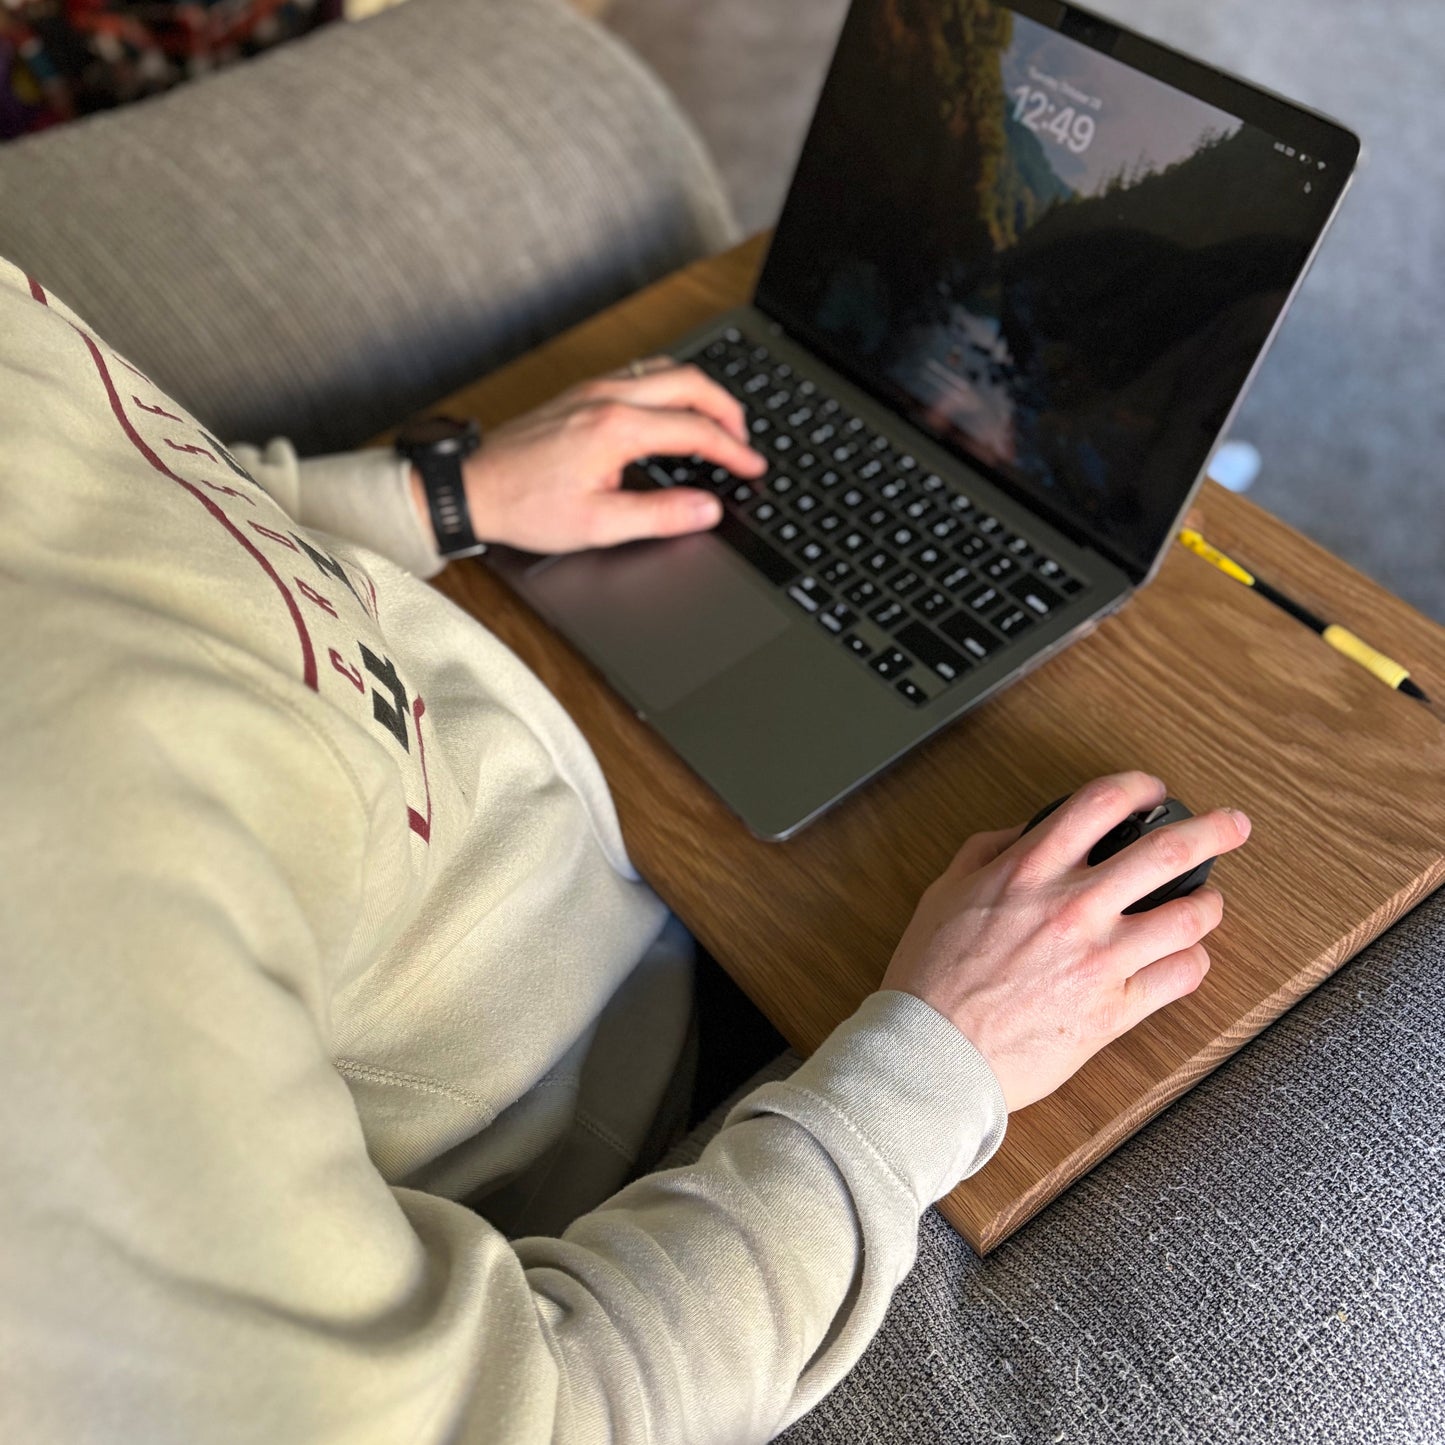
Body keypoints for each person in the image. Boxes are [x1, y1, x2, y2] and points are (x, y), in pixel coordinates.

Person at [0, 257, 1249, 1443]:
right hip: (647, 1078)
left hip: (554, 754)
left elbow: (132, 490)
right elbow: (525, 1416)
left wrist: (438, 495)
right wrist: (937, 1057)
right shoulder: (59, 981)